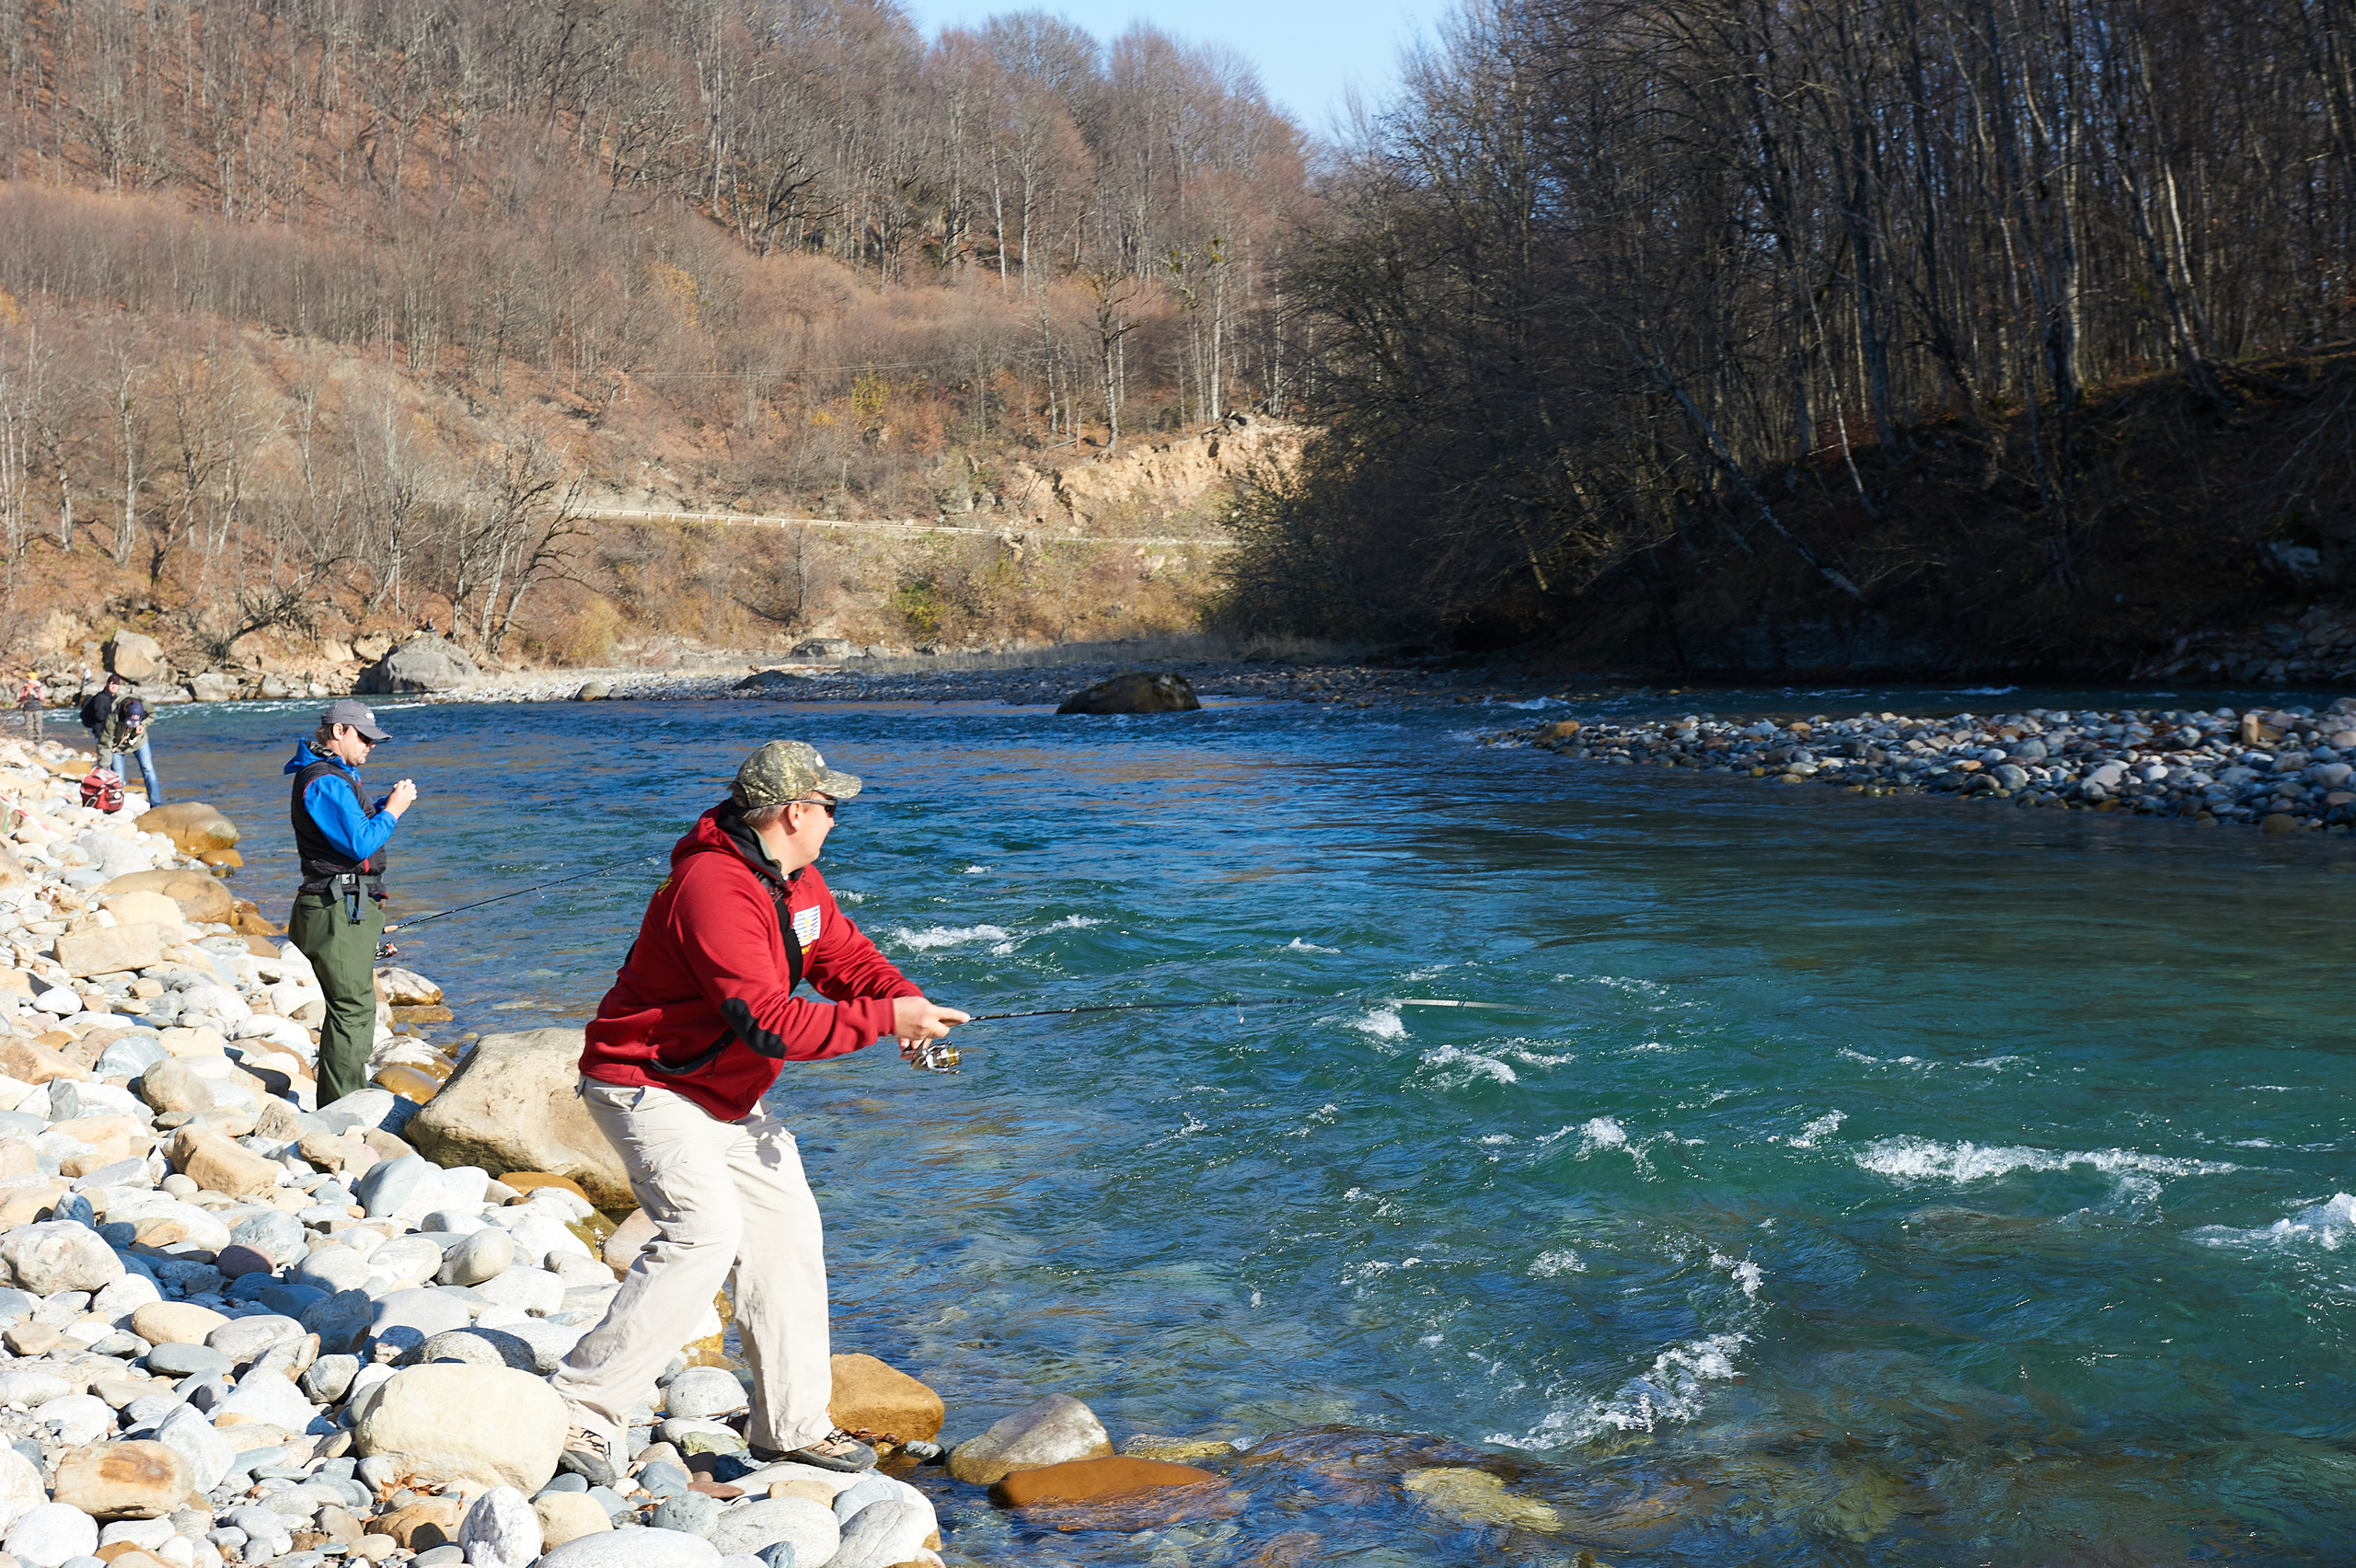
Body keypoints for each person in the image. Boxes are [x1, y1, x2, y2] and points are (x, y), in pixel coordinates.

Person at [549, 741, 969, 1482]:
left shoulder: (797, 882)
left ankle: (792, 1426)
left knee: (789, 1239)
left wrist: (905, 1003)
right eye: (830, 808)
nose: (837, 821)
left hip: (724, 1093)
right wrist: (883, 1024)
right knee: (703, 1235)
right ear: (795, 812)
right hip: (646, 1083)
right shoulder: (714, 888)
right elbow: (769, 1023)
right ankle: (580, 1411)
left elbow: (846, 960)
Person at [283, 700, 418, 1104]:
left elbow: (348, 835)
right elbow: (361, 842)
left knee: (356, 1006)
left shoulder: (336, 777)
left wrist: (377, 808)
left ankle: (346, 1095)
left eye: (374, 740)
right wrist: (393, 811)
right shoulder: (323, 781)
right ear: (339, 731)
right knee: (352, 1009)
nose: (371, 746)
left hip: (345, 906)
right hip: (333, 909)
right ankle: (340, 1106)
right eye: (364, 737)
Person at [95, 674, 165, 805]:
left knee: (148, 769)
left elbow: (153, 714)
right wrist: (104, 767)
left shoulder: (145, 706)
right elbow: (106, 741)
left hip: (139, 741)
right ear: (125, 711)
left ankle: (156, 804)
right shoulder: (113, 715)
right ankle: (116, 805)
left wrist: (143, 725)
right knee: (118, 777)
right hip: (118, 746)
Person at [15, 673, 42, 743]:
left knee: (38, 725)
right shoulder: (24, 688)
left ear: (34, 679)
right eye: (27, 678)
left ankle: (38, 740)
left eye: (29, 678)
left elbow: (42, 698)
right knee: (28, 725)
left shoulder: (39, 687)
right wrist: (25, 695)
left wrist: (34, 694)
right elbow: (21, 699)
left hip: (37, 708)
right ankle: (29, 740)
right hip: (27, 708)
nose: (27, 679)